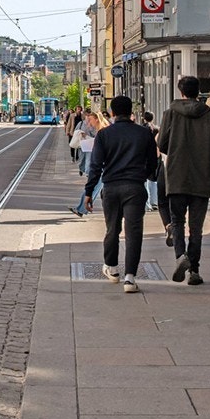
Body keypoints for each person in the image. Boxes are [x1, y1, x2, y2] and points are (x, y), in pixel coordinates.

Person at [82, 95, 159, 294]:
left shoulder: (105, 135)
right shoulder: (144, 133)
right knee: (134, 233)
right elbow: (152, 163)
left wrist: (89, 191)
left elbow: (95, 166)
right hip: (135, 187)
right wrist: (146, 175)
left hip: (112, 188)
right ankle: (130, 278)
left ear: (113, 113)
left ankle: (112, 268)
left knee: (112, 229)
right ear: (131, 111)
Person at [157, 76, 210, 286]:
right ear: (198, 92)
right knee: (196, 228)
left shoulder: (170, 114)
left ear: (181, 92)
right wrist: (202, 155)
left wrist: (177, 153)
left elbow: (162, 144)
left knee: (177, 221)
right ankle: (194, 271)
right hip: (202, 178)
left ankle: (181, 256)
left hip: (177, 175)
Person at [141, 111, 161, 211]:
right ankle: (155, 202)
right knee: (154, 179)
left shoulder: (141, 129)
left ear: (144, 118)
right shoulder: (157, 129)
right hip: (155, 155)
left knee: (145, 180)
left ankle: (147, 203)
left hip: (144, 155)